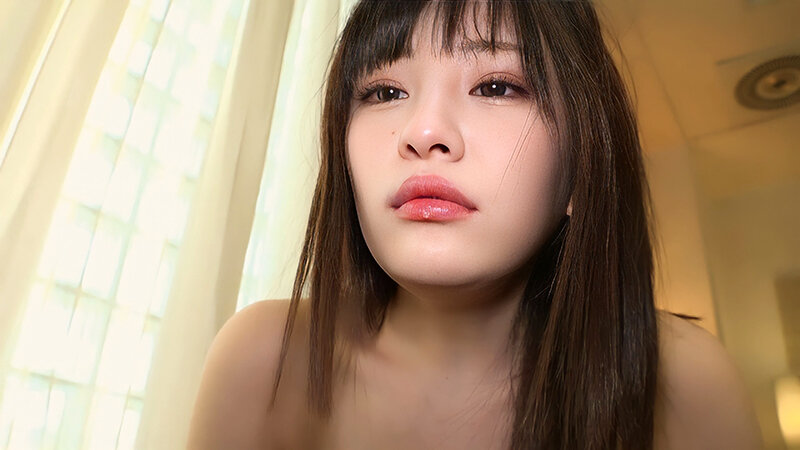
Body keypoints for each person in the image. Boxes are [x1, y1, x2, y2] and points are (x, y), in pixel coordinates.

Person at [187, 1, 763, 448]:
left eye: (496, 87)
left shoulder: (686, 385)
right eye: (385, 91)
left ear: (581, 167)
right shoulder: (262, 362)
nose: (424, 131)